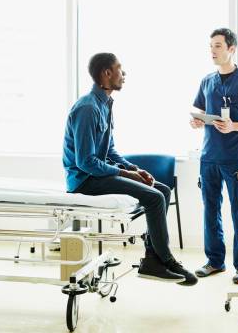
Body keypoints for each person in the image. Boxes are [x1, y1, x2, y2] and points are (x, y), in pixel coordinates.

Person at [63, 52, 197, 286]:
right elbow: (86, 162)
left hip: (96, 175)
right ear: (106, 73)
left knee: (162, 190)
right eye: (120, 69)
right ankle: (165, 260)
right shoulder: (87, 108)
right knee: (154, 198)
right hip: (85, 180)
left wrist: (134, 168)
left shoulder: (104, 104)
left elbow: (110, 151)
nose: (124, 75)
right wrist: (126, 174)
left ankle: (152, 259)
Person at [190, 28, 238, 284]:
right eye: (210, 46)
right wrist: (197, 122)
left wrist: (235, 126)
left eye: (218, 46)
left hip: (235, 159)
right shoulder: (207, 81)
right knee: (210, 211)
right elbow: (200, 112)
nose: (212, 51)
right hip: (209, 158)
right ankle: (214, 262)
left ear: (231, 49)